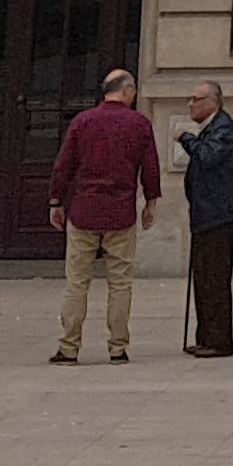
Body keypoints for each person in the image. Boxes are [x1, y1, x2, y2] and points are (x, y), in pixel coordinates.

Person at [45, 69, 159, 366]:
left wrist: (56, 200)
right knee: (120, 283)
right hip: (120, 211)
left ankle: (69, 347)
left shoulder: (83, 121)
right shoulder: (139, 123)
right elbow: (150, 167)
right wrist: (151, 202)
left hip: (84, 209)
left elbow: (63, 165)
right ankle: (118, 347)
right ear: (127, 90)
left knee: (76, 282)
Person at [177, 80, 233, 359]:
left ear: (213, 102)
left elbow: (207, 157)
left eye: (196, 99)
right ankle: (205, 336)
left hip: (219, 216)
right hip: (205, 215)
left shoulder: (224, 129)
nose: (190, 104)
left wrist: (186, 139)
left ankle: (219, 340)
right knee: (203, 279)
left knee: (215, 279)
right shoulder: (212, 129)